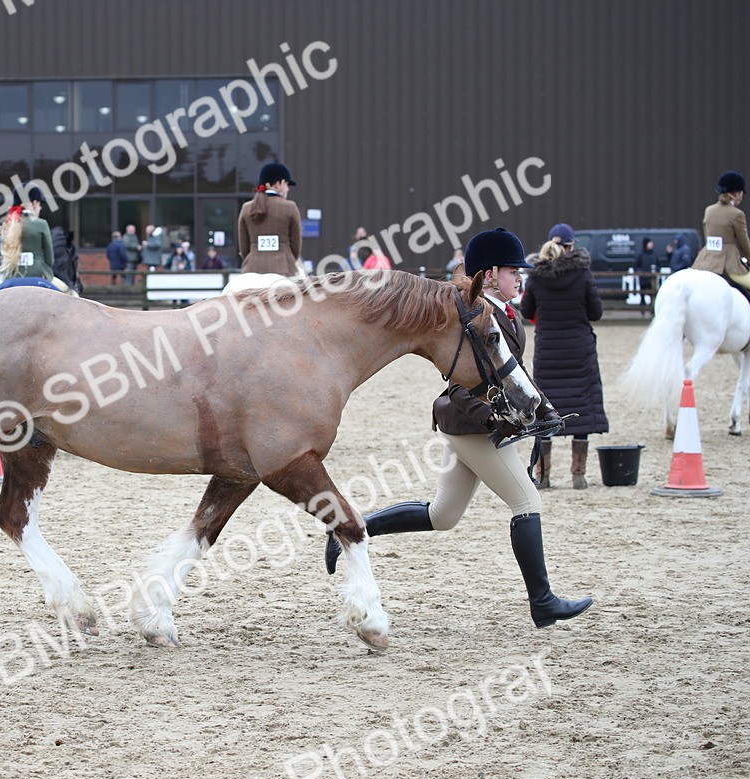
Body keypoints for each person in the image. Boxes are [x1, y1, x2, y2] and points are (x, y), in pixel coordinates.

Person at [329, 228, 591, 630]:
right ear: (488, 275)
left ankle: (355, 529)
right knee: (527, 503)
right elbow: (459, 386)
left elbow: (515, 375)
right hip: (473, 429)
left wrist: (542, 408)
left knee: (442, 515)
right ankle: (543, 603)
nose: (520, 278)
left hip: (470, 428)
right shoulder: (473, 317)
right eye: (512, 271)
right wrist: (496, 421)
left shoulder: (507, 313)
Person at [519, 223, 608, 489]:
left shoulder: (536, 276)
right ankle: (578, 474)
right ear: (571, 246)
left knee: (546, 409)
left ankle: (543, 475)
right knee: (581, 406)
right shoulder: (583, 275)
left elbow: (526, 310)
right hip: (579, 350)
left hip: (548, 349)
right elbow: (596, 312)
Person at [691, 171, 750, 303]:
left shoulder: (709, 210)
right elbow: (744, 244)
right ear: (736, 193)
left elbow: (708, 236)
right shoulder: (737, 214)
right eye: (741, 192)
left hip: (705, 261)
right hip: (728, 264)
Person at [237, 161, 302, 276]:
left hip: (252, 268)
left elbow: (244, 247)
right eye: (287, 184)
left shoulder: (246, 208)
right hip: (284, 269)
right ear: (278, 184)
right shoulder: (290, 207)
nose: (288, 189)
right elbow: (296, 244)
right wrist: (289, 259)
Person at [0, 185, 57, 289]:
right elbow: (50, 260)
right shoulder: (41, 224)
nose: (40, 208)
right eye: (40, 204)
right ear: (34, 203)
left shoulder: (7, 223)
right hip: (37, 277)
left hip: (11, 277)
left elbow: (2, 255)